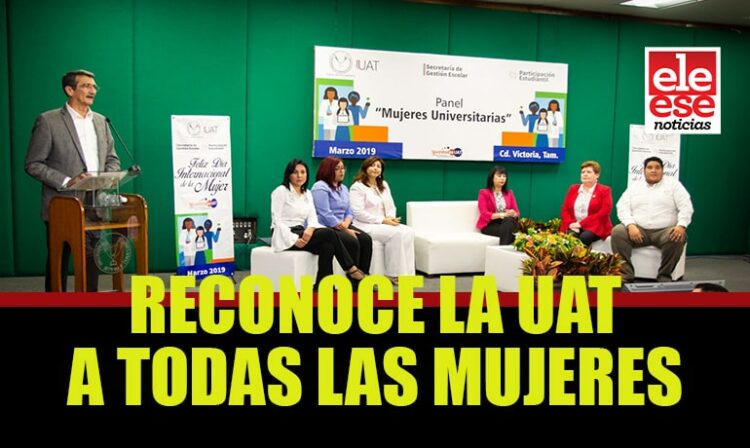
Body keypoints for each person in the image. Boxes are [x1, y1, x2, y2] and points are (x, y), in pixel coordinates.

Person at [25, 69, 120, 292]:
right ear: (69, 90)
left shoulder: (101, 121)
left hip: (95, 202)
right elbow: (33, 164)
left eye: (94, 86)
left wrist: (107, 177)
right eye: (86, 85)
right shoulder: (48, 121)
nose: (92, 90)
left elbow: (112, 159)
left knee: (92, 258)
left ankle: (89, 300)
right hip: (63, 203)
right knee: (59, 260)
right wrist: (68, 181)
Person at [271, 159, 366, 289]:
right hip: (285, 233)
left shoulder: (307, 193)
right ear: (288, 175)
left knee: (328, 246)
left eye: (303, 172)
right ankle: (351, 269)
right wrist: (293, 239)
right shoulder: (281, 191)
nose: (299, 176)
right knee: (329, 233)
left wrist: (310, 230)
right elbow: (276, 221)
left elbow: (312, 218)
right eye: (295, 172)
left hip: (302, 231)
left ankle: (323, 286)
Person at [611, 156, 694, 283]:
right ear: (644, 170)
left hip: (664, 231)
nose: (653, 170)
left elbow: (686, 207)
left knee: (678, 236)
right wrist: (630, 225)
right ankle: (625, 274)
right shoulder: (634, 187)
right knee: (618, 232)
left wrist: (681, 225)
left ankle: (664, 276)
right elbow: (622, 207)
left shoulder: (674, 186)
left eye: (657, 168)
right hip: (639, 230)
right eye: (649, 167)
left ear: (662, 170)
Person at [349, 156, 415, 284]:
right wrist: (382, 220)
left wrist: (390, 217)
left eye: (378, 166)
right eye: (372, 165)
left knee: (409, 232)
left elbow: (391, 206)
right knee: (395, 234)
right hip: (365, 225)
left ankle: (408, 274)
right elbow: (358, 212)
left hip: (385, 222)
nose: (375, 168)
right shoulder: (357, 187)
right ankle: (393, 274)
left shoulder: (383, 185)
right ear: (365, 168)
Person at [311, 157, 373, 276]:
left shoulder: (343, 188)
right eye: (337, 169)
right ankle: (354, 278)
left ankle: (364, 275)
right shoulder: (320, 187)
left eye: (343, 168)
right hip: (326, 226)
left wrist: (346, 223)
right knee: (352, 241)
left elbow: (349, 211)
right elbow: (325, 214)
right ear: (328, 170)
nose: (342, 171)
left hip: (343, 224)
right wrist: (345, 229)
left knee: (366, 239)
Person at [559, 160, 613, 246]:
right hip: (574, 224)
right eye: (583, 172)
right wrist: (571, 224)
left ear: (597, 175)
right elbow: (565, 209)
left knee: (585, 237)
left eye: (588, 172)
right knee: (570, 235)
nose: (585, 174)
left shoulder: (604, 190)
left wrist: (580, 224)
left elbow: (604, 212)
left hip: (595, 226)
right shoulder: (573, 189)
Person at [476, 166, 520, 245]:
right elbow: (484, 214)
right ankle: (505, 249)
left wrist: (513, 213)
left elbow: (517, 212)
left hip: (507, 222)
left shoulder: (509, 193)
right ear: (492, 178)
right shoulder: (484, 193)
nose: (502, 178)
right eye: (499, 176)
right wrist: (503, 214)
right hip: (490, 224)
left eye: (504, 176)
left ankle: (502, 250)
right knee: (510, 230)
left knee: (509, 222)